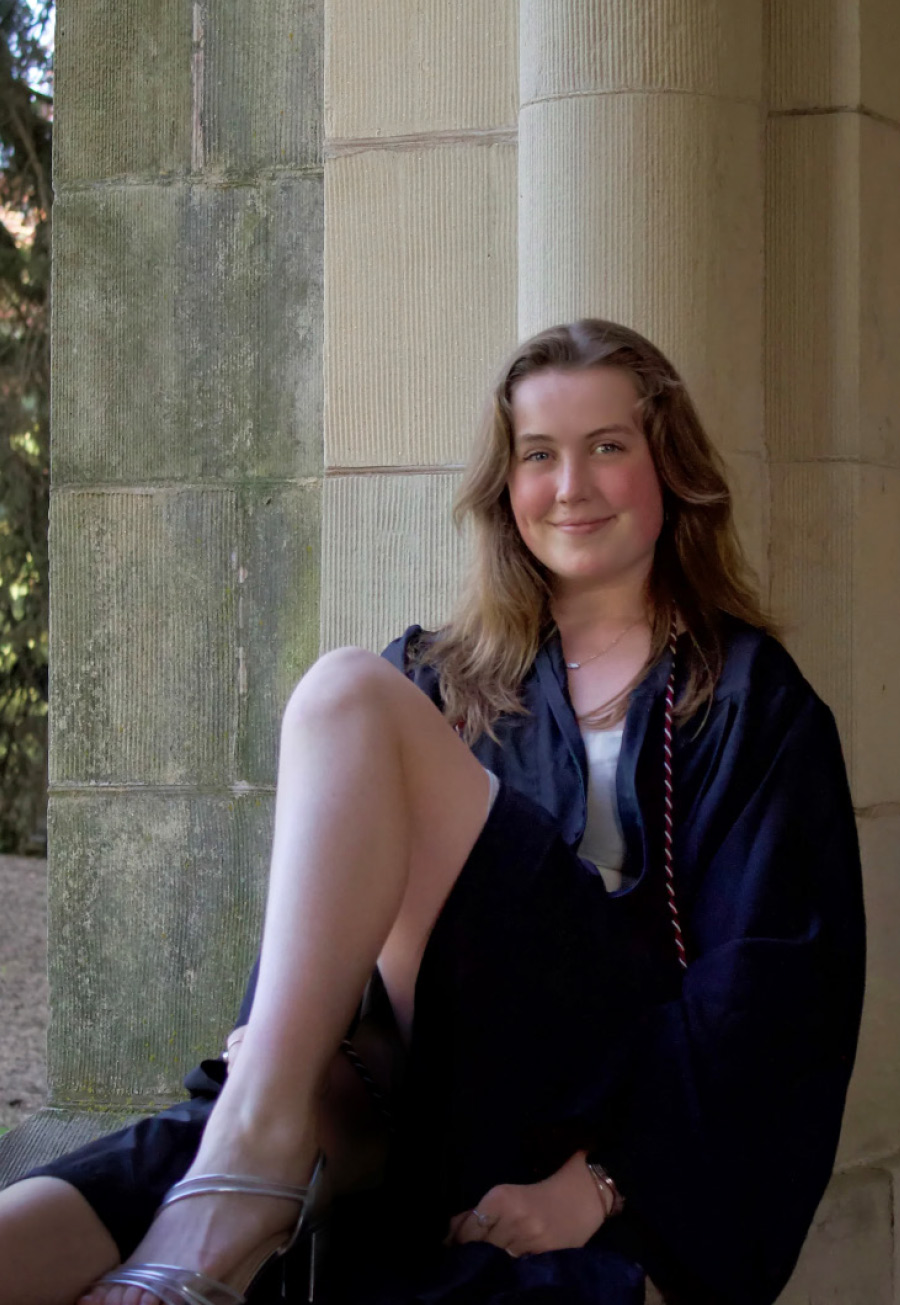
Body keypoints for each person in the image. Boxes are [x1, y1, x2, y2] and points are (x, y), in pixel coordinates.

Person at [0, 319, 865, 1305]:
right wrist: (277, 1043)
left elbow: (771, 993)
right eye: (538, 455)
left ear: (670, 467)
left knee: (346, 696)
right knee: (104, 1190)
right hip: (406, 1085)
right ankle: (256, 1141)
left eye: (607, 446)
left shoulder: (750, 701)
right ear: (506, 486)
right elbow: (332, 905)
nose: (571, 485)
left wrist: (602, 1180)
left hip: (594, 1086)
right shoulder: (439, 679)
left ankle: (252, 1163)